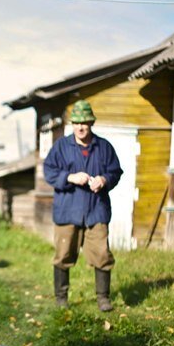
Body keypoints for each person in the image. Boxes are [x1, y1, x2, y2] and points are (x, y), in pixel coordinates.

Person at [43, 99, 122, 312]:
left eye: (84, 123)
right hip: (68, 210)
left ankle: (103, 299)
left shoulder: (104, 147)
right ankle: (61, 299)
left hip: (96, 211)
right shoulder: (61, 146)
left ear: (91, 123)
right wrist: (69, 177)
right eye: (77, 123)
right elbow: (48, 171)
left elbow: (116, 172)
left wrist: (104, 180)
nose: (80, 127)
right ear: (72, 124)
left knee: (102, 256)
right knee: (63, 256)